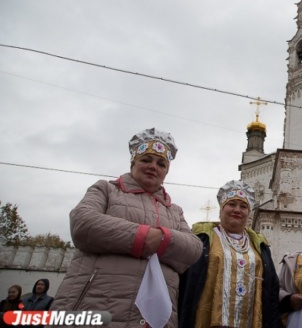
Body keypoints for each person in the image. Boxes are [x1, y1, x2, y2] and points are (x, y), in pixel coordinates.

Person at [51, 128, 203, 328]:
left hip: (152, 319)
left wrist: (161, 239)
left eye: (161, 164)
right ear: (133, 162)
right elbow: (83, 223)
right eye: (146, 160)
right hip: (95, 306)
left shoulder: (174, 211)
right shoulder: (106, 190)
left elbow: (193, 249)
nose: (152, 167)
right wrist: (142, 237)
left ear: (166, 171)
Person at [178, 180, 282, 328]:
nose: (237, 210)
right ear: (221, 209)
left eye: (243, 206)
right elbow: (186, 281)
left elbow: (271, 290)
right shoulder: (203, 238)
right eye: (232, 204)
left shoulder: (260, 246)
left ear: (249, 212)